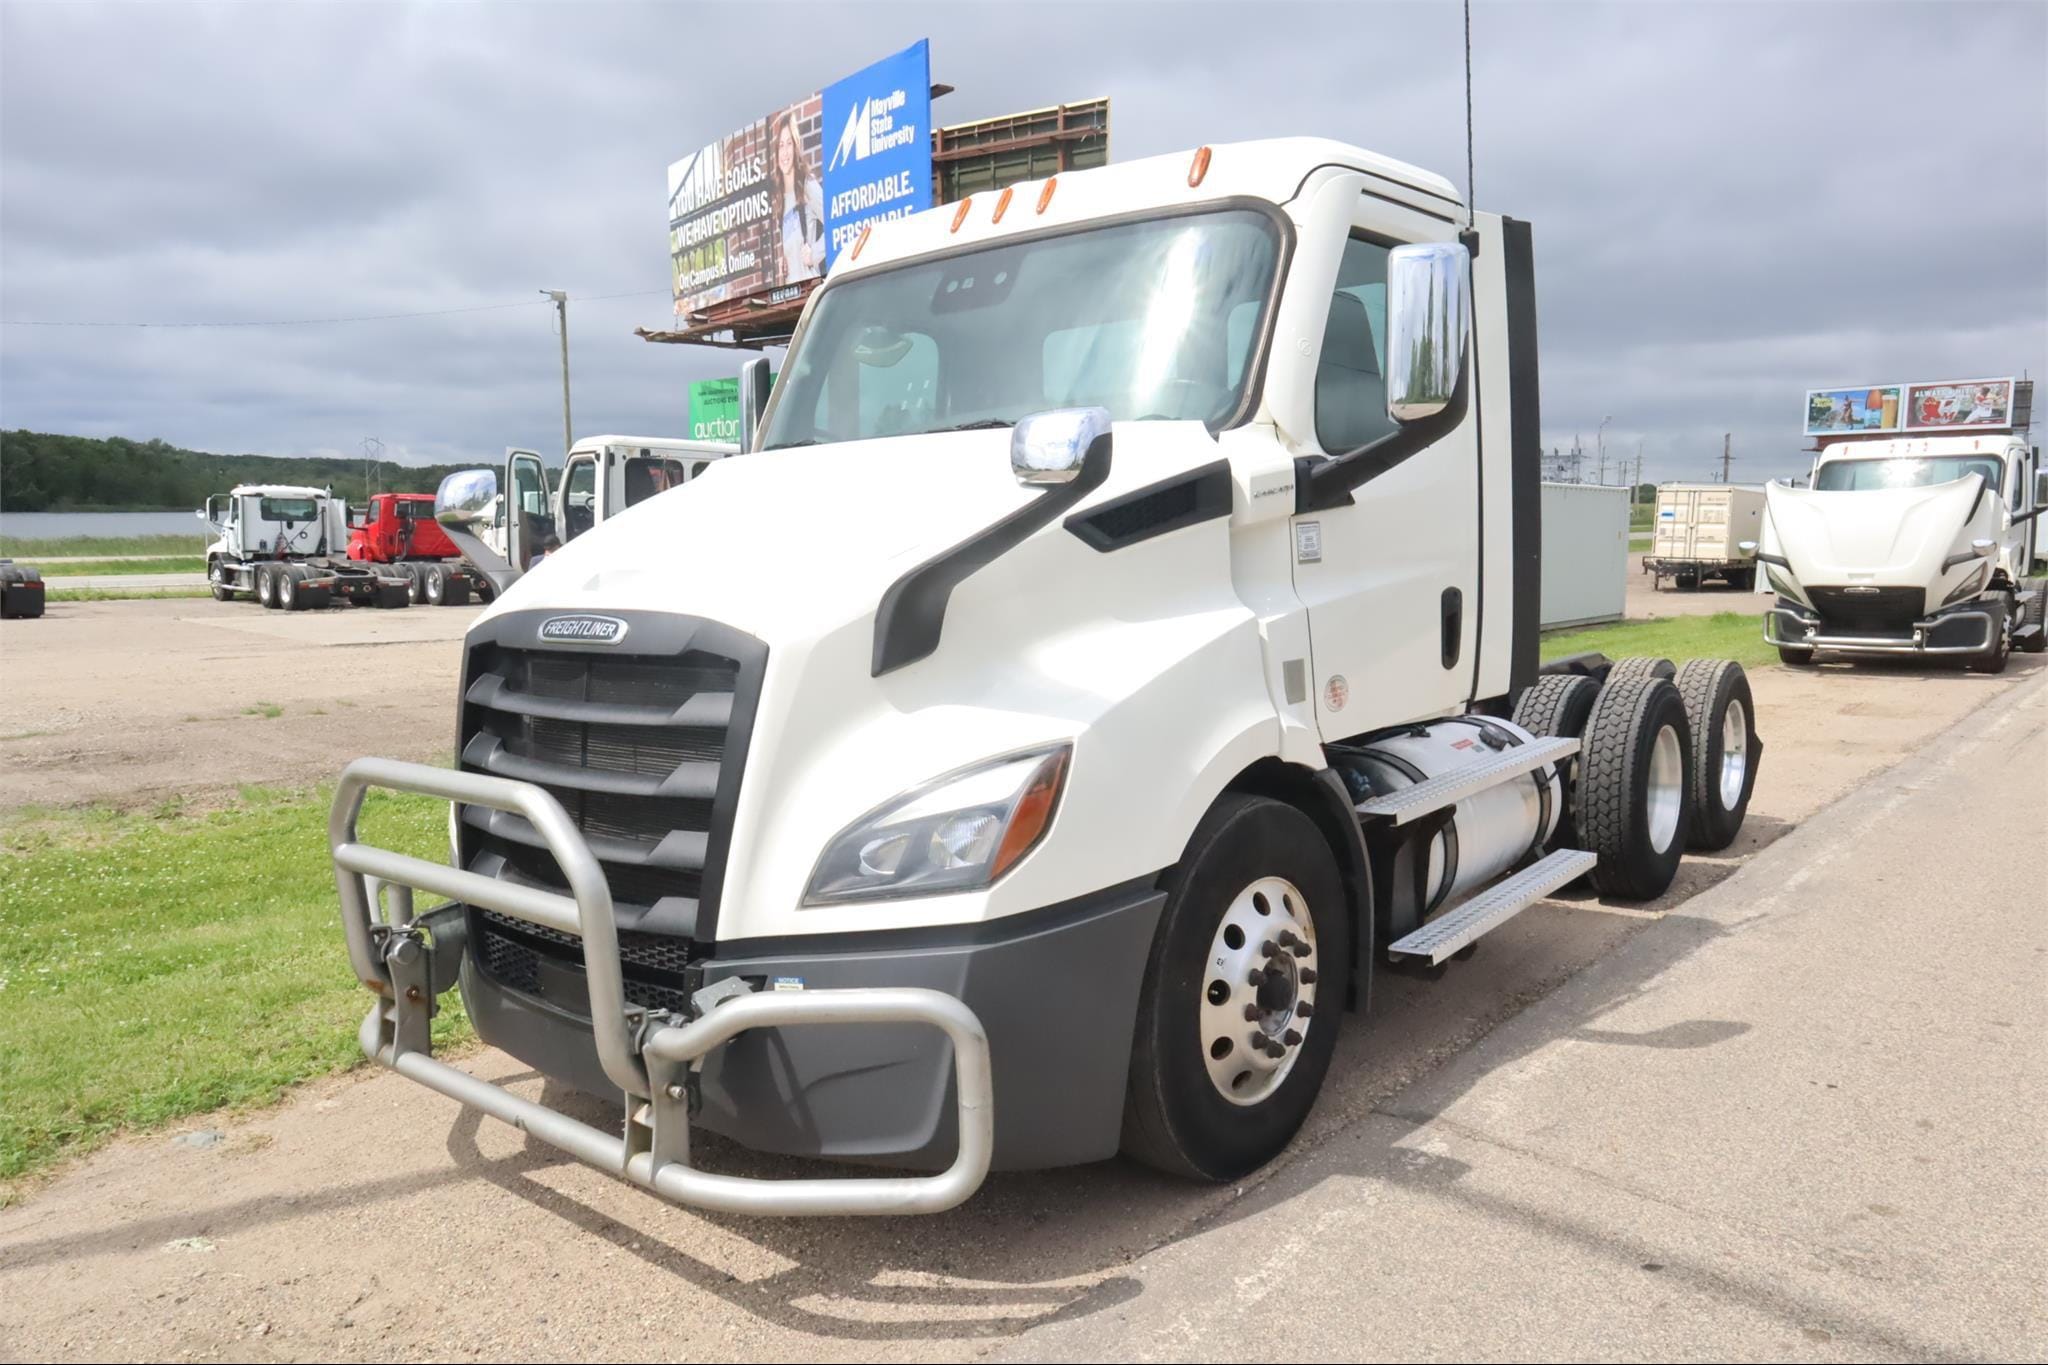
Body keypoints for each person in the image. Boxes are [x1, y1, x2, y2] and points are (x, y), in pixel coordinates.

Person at [769, 108, 825, 281]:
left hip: (811, 291)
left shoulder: (807, 185)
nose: (784, 152)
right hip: (793, 297)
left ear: (796, 147)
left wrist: (815, 253)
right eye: (780, 146)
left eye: (789, 144)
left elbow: (835, 222)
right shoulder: (780, 200)